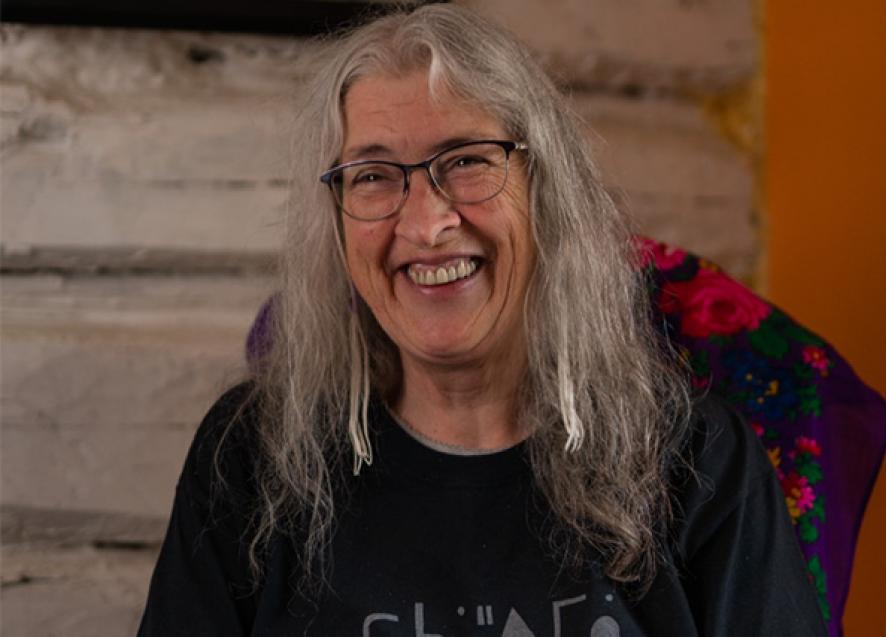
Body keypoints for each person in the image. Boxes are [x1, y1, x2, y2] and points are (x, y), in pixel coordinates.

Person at [137, 5, 828, 636]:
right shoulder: (252, 457)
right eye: (374, 174)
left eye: (466, 161)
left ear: (545, 191)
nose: (428, 222)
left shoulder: (697, 461)